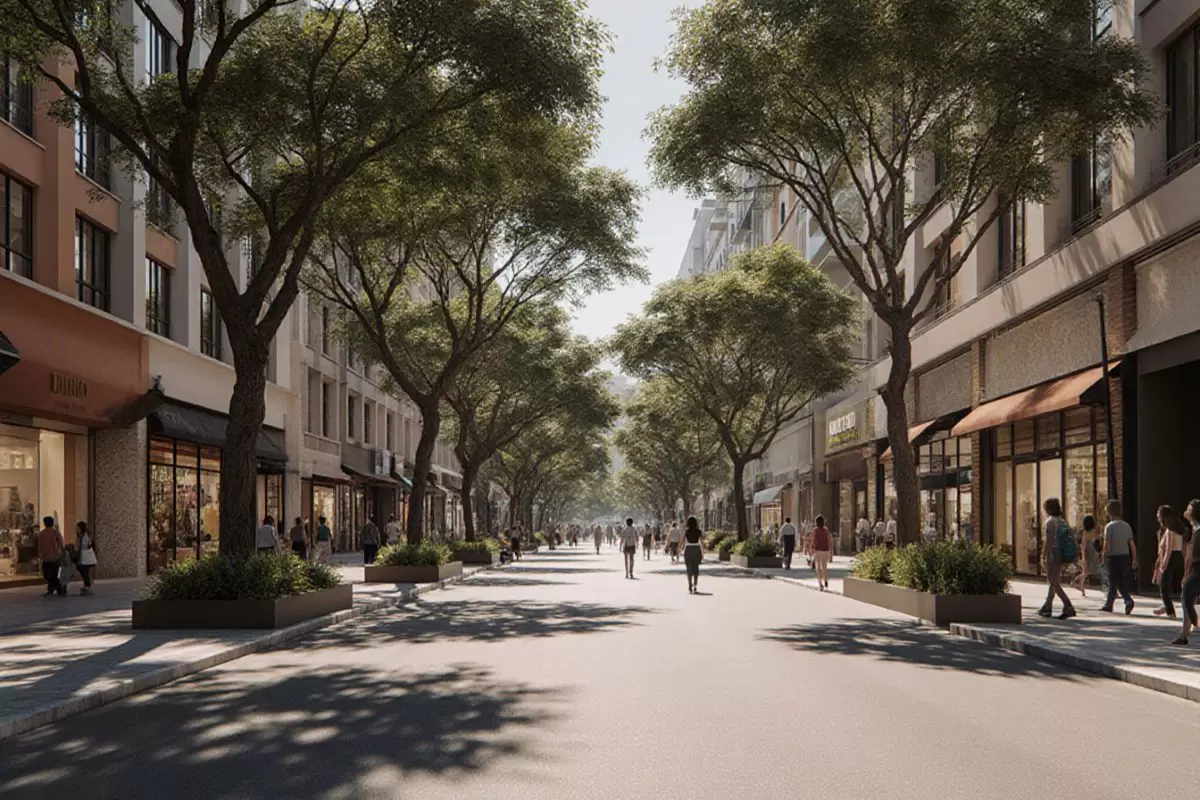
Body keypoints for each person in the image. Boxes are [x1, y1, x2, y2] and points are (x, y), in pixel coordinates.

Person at [1037, 497, 1077, 620]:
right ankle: (1047, 607)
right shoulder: (1062, 521)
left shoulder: (1050, 522)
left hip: (1053, 553)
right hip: (1062, 553)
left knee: (1053, 581)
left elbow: (1048, 541)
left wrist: (1043, 556)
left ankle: (1068, 606)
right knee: (1053, 581)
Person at [1171, 498, 1200, 645]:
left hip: (1197, 569)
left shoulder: (1197, 531)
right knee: (1186, 598)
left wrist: (1186, 573)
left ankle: (1193, 626)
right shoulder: (1193, 530)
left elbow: (1191, 555)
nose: (1185, 511)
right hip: (1195, 568)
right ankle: (1184, 633)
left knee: (1187, 597)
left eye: (1189, 509)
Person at [1101, 499, 1137, 615]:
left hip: (1113, 556)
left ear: (1110, 512)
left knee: (1113, 580)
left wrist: (1103, 555)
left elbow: (1107, 544)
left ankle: (1126, 600)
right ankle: (1111, 603)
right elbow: (1131, 544)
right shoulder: (1126, 526)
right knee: (1118, 580)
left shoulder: (1109, 527)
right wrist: (1135, 558)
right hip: (1125, 556)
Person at [1153, 504, 1187, 619]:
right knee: (1168, 585)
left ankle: (1170, 612)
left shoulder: (1170, 531)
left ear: (1163, 516)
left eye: (1158, 513)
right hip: (1178, 557)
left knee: (1163, 587)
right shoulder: (1178, 530)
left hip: (1171, 558)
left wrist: (1163, 565)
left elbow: (1168, 549)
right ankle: (1166, 606)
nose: (1157, 515)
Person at [1072, 514, 1103, 597]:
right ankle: (1075, 582)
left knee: (1085, 572)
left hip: (1088, 552)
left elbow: (1083, 544)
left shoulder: (1085, 532)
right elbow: (1097, 538)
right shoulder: (1091, 532)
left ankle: (1081, 588)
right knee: (1086, 571)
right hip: (1089, 552)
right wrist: (1084, 558)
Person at [37, 516, 64, 597]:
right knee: (53, 574)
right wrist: (60, 553)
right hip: (54, 557)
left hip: (46, 557)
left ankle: (54, 589)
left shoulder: (42, 533)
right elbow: (60, 544)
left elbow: (40, 546)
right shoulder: (55, 532)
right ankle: (57, 589)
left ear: (45, 523)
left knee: (47, 575)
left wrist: (40, 555)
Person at [683, 516, 705, 593]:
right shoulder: (699, 531)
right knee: (696, 568)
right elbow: (702, 542)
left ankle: (690, 584)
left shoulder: (686, 531)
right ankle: (695, 585)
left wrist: (679, 550)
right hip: (696, 549)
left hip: (688, 549)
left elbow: (682, 541)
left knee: (689, 568)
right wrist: (703, 552)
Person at [811, 514, 833, 591]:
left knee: (818, 567)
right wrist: (831, 553)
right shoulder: (826, 530)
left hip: (817, 550)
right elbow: (830, 541)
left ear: (816, 522)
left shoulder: (814, 530)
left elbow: (813, 541)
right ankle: (826, 579)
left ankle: (820, 584)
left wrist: (811, 551)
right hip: (825, 550)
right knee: (824, 566)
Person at [76, 521, 98, 595]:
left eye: (78, 527)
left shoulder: (85, 536)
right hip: (83, 557)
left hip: (85, 557)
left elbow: (86, 546)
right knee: (82, 571)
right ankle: (87, 586)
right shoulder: (81, 535)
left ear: (81, 528)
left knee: (84, 571)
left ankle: (88, 587)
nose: (76, 529)